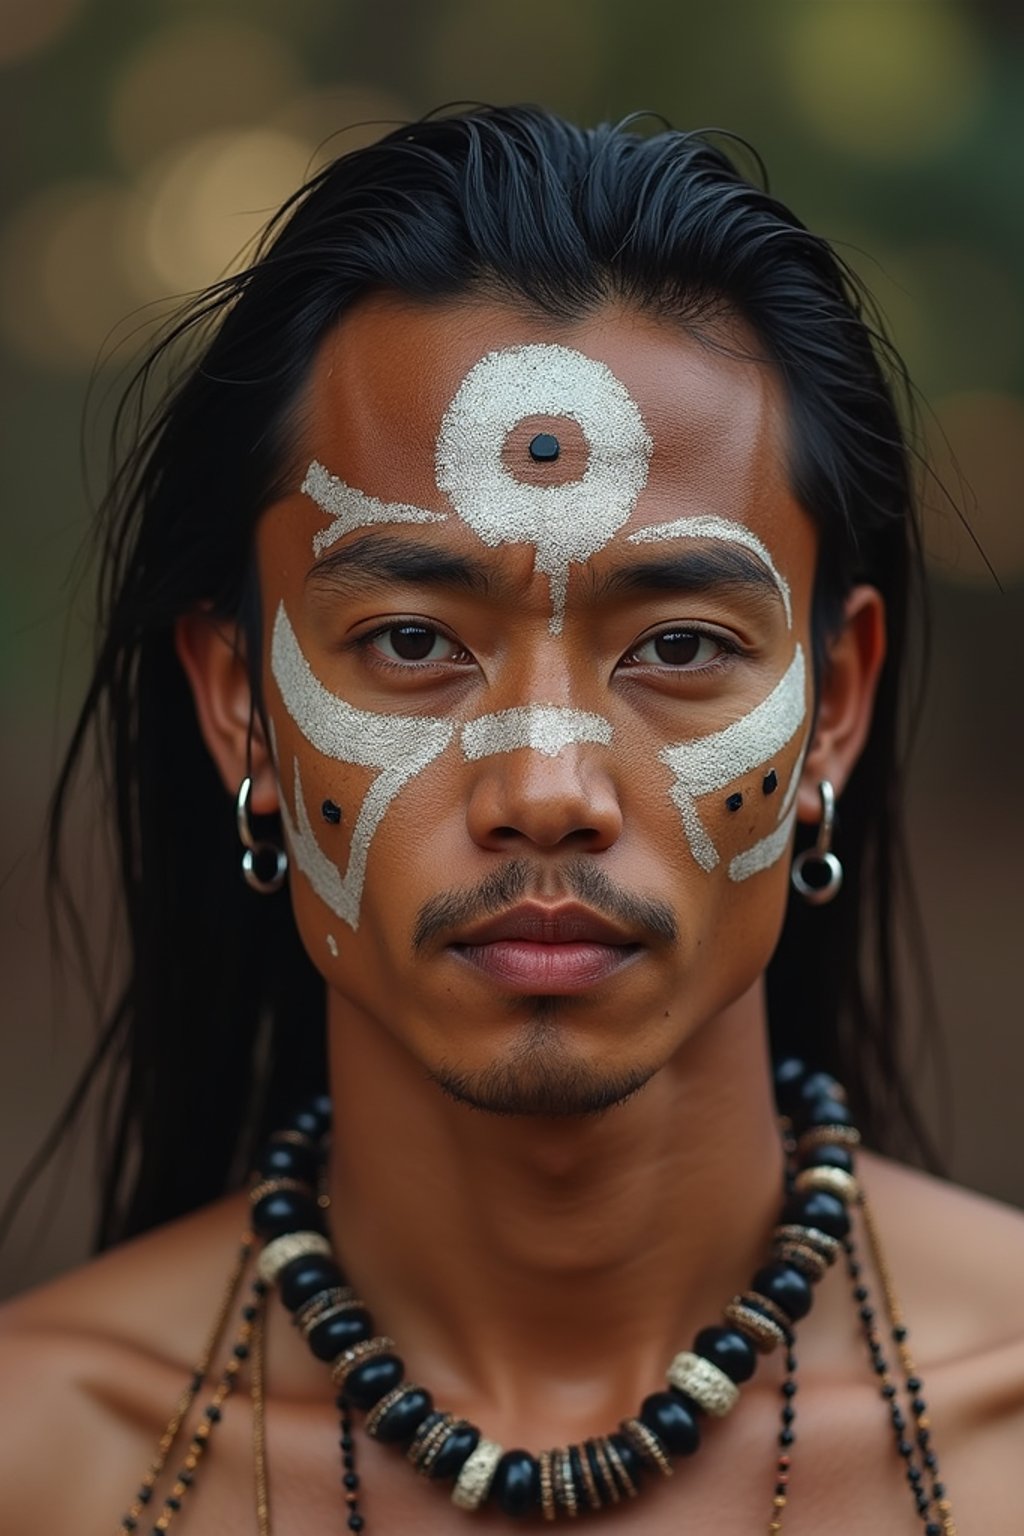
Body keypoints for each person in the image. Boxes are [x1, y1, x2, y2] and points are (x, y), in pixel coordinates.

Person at [1, 104, 1021, 1535]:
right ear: (240, 703)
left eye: (677, 647)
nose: (547, 789)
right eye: (414, 643)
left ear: (835, 705)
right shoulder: (42, 1460)